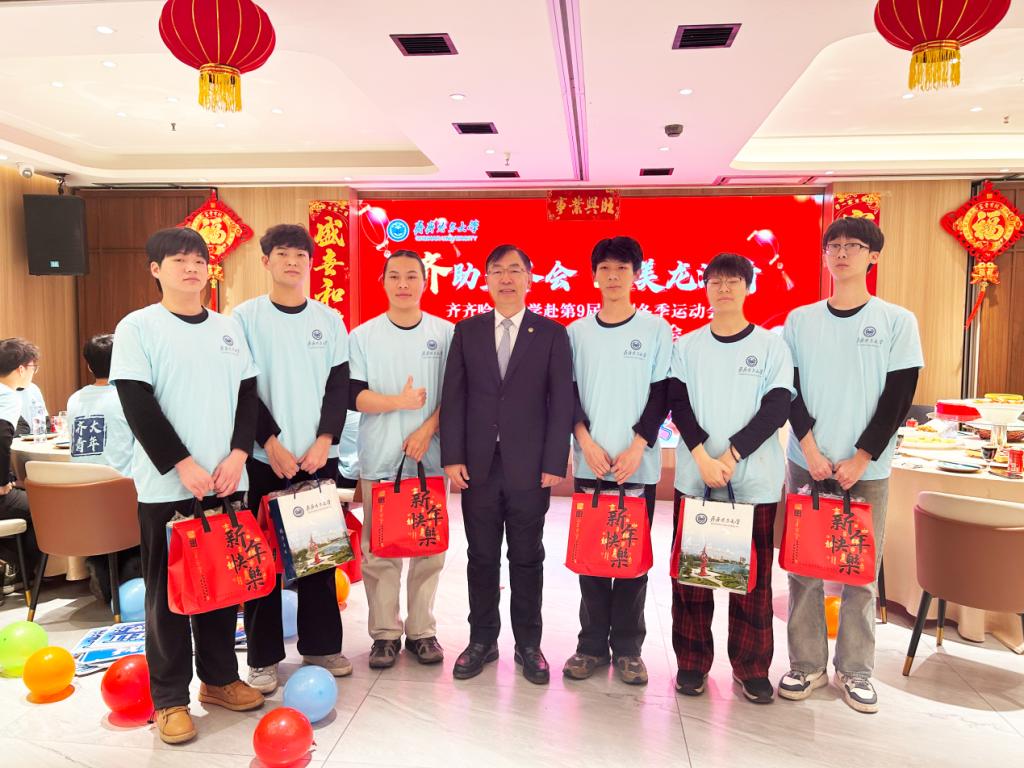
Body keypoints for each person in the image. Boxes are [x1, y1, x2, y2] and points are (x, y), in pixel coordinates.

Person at [110, 227, 264, 745]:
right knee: (168, 597)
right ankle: (170, 698)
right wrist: (181, 463)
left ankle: (219, 680)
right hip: (167, 486)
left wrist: (239, 454)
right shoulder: (139, 327)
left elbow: (248, 396)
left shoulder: (227, 327)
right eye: (179, 260)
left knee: (221, 586)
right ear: (156, 270)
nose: (192, 267)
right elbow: (137, 403)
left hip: (226, 479)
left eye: (199, 259)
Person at [779, 217, 922, 714]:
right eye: (833, 245)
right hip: (807, 464)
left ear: (872, 256)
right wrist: (810, 450)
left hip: (868, 470)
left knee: (860, 572)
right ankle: (806, 664)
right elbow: (788, 390)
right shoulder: (800, 320)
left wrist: (862, 456)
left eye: (853, 246)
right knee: (804, 569)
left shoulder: (896, 320)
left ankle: (856, 670)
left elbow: (898, 397)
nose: (841, 253)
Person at [440, 244, 574, 684]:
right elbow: (454, 397)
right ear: (487, 279)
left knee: (527, 558)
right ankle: (482, 640)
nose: (506, 278)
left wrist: (555, 461)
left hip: (530, 468)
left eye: (515, 270)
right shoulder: (468, 331)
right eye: (497, 271)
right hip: (477, 467)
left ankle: (528, 644)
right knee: (480, 557)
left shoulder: (551, 333)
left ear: (529, 279)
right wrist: (453, 457)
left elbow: (561, 402)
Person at [667, 252, 794, 704]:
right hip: (697, 479)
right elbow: (678, 403)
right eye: (716, 281)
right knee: (693, 578)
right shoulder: (687, 346)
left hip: (752, 484)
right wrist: (703, 456)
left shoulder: (771, 346)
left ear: (748, 287)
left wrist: (732, 454)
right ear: (705, 288)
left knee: (751, 583)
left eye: (733, 281)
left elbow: (777, 407)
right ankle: (692, 664)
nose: (724, 289)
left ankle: (751, 668)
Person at [233, 224, 351, 694]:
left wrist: (325, 440)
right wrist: (271, 442)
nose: (293, 262)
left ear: (311, 263)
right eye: (283, 254)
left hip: (318, 458)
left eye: (301, 255)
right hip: (265, 459)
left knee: (318, 558)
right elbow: (243, 389)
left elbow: (338, 388)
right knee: (261, 561)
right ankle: (262, 659)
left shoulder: (329, 319)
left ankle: (321, 647)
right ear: (266, 261)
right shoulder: (244, 318)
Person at [562, 237, 672, 686]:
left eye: (622, 269)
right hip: (591, 462)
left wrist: (638, 446)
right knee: (591, 559)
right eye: (605, 268)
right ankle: (590, 646)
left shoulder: (656, 329)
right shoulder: (576, 333)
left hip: (635, 465)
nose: (613, 276)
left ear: (636, 275)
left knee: (631, 561)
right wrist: (584, 441)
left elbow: (662, 393)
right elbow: (567, 393)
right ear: (594, 276)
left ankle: (628, 649)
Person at [349, 249, 453, 668]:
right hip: (380, 458)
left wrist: (426, 429)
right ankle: (385, 634)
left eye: (412, 276)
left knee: (429, 549)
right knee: (380, 551)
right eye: (395, 276)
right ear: (384, 282)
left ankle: (422, 631)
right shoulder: (364, 336)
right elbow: (355, 396)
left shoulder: (445, 333)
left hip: (430, 460)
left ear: (426, 282)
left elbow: (456, 394)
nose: (404, 284)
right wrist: (400, 402)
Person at [65, 333, 140, 603]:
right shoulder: (128, 397)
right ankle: (131, 577)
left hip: (83, 500)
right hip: (123, 497)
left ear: (88, 365)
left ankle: (101, 568)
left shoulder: (74, 400)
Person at [0, 338, 42, 586]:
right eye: (33, 367)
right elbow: (2, 438)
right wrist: (2, 481)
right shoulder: (7, 395)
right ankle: (19, 570)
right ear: (21, 368)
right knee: (46, 507)